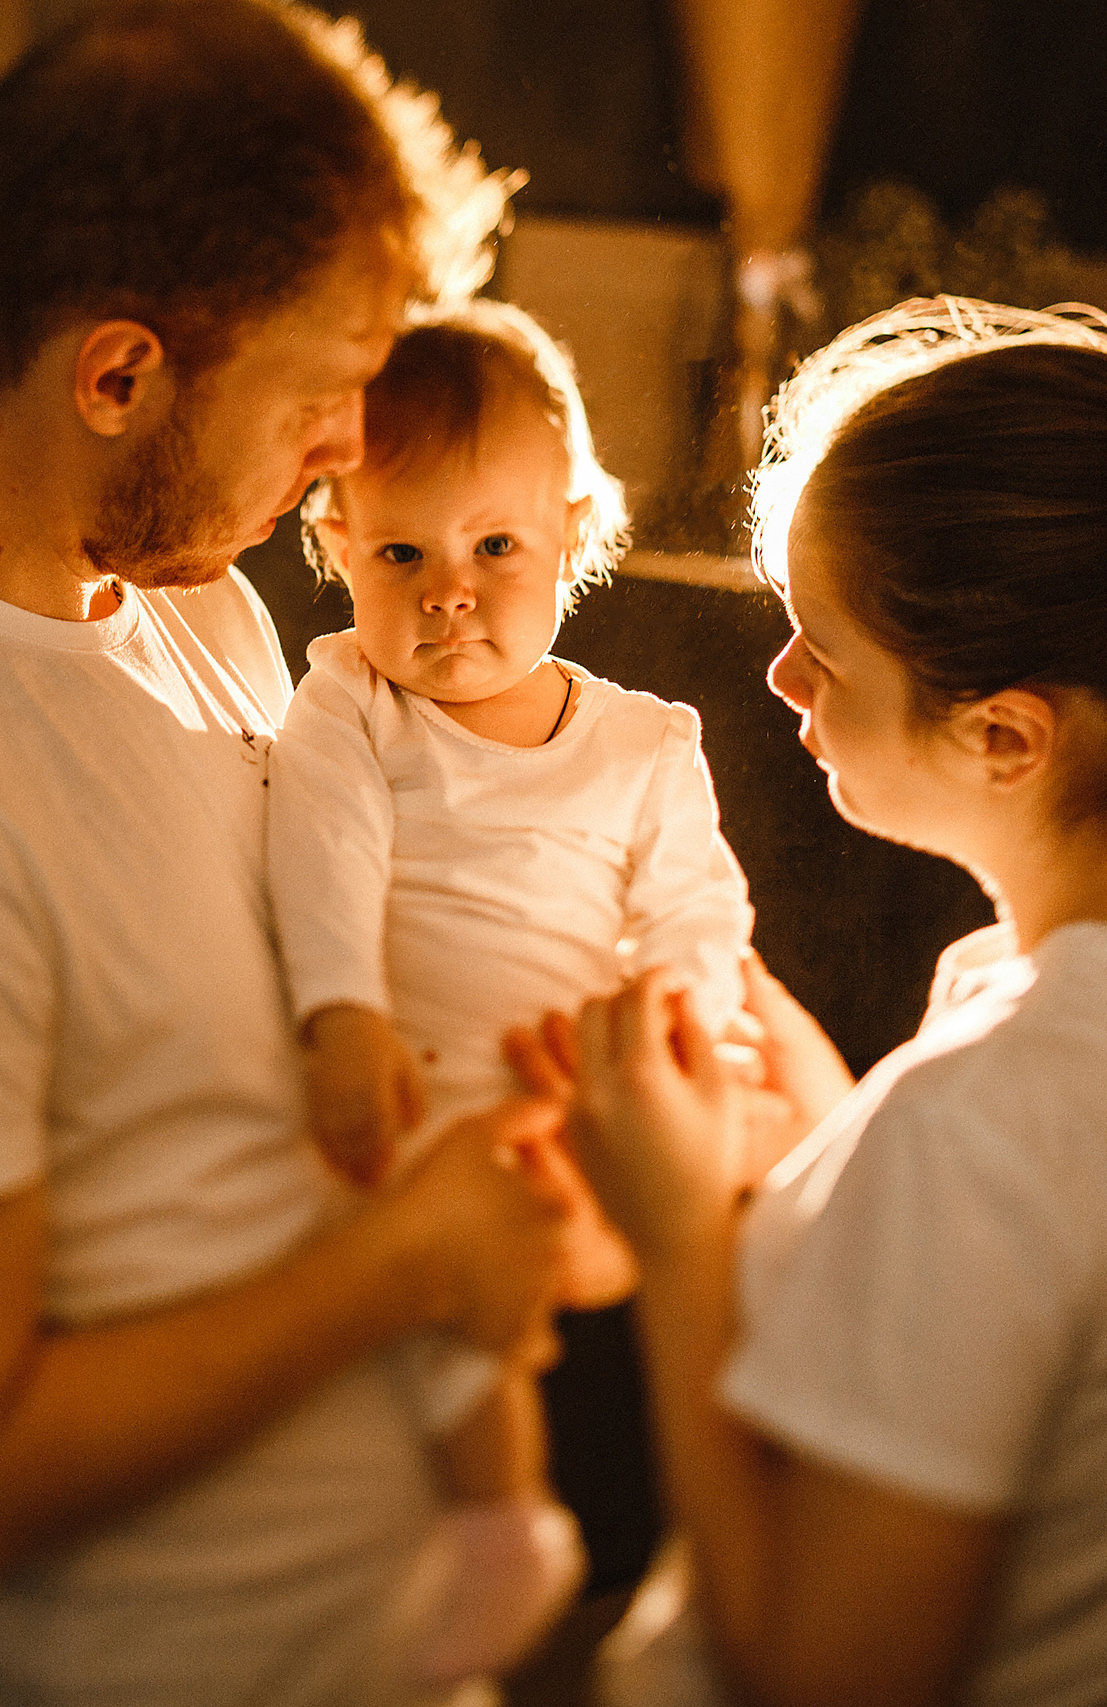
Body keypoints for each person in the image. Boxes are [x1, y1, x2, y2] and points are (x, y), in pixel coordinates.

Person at [0, 4, 575, 1702]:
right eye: (326, 392)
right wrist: (408, 1264)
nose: (351, 452)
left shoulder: (196, 611)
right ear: (119, 374)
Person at [532, 299, 1107, 1707]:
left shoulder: (988, 1129)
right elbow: (1057, 1314)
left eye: (825, 649)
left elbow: (824, 1681)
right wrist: (833, 1136)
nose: (782, 680)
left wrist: (684, 1244)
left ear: (1005, 735)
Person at [269, 298, 753, 1683]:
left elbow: (695, 904)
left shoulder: (647, 746)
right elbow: (322, 858)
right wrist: (339, 1012)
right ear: (335, 549)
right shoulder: (350, 705)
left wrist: (671, 1019)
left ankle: (659, 1550)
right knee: (426, 1293)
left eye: (496, 548)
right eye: (400, 553)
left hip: (585, 1088)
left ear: (577, 534)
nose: (449, 592)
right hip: (415, 1079)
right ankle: (495, 1528)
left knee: (718, 1222)